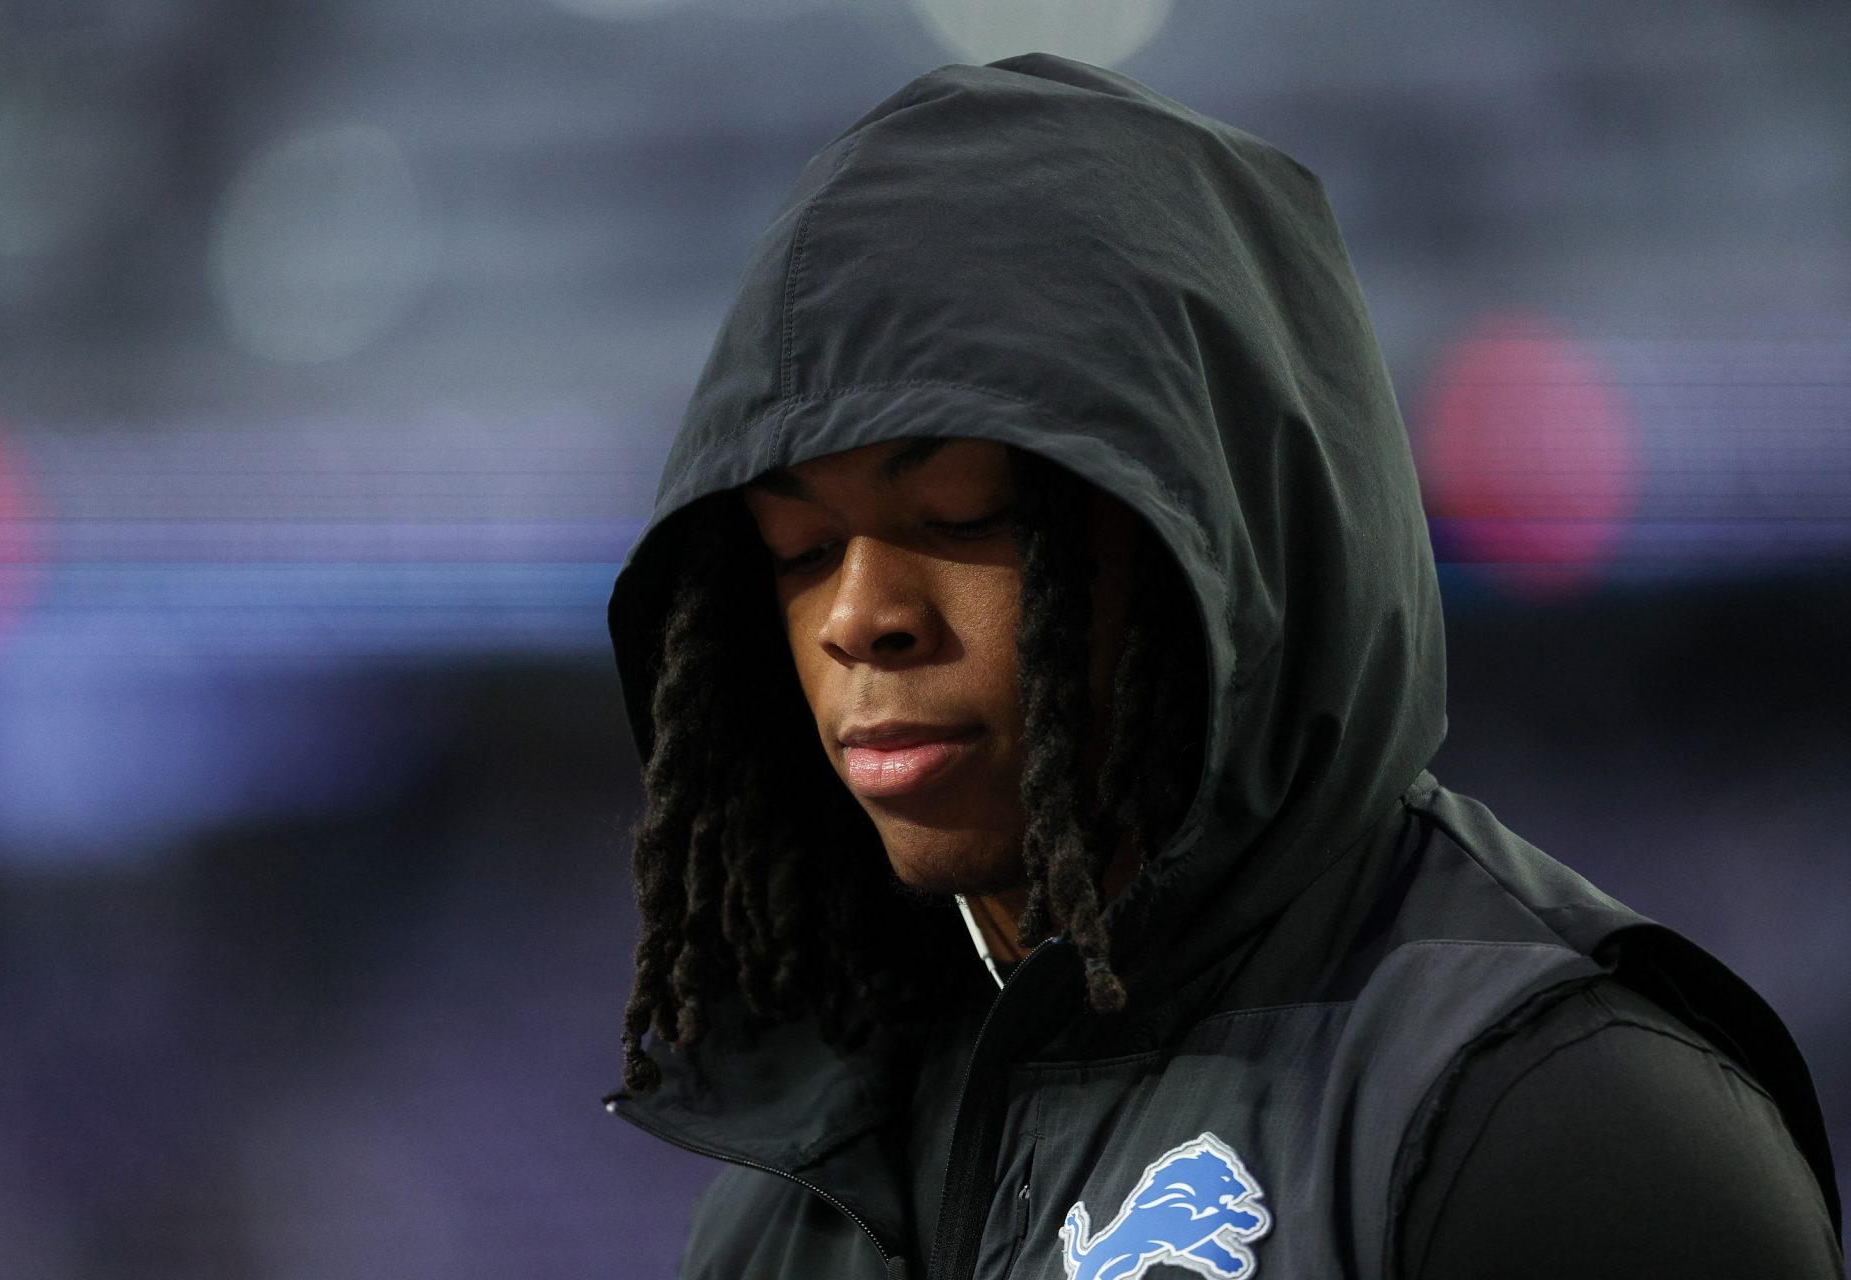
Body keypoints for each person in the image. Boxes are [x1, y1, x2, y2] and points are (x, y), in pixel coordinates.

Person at [601, 52, 1845, 1279]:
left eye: (967, 514)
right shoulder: (791, 1202)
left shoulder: (1562, 1121)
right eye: (801, 547)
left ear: (1218, 529)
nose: (859, 614)